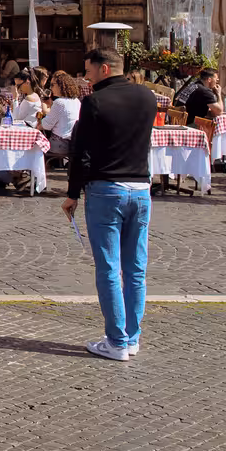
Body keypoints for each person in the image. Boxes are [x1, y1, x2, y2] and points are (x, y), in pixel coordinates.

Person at [62, 48, 157, 360]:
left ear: (104, 69)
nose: (85, 78)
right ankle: (131, 337)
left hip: (107, 188)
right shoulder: (147, 97)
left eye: (88, 71)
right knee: (136, 269)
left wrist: (72, 193)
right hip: (141, 188)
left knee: (109, 267)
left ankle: (116, 341)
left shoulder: (95, 101)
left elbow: (81, 151)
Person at [41, 72, 83, 166]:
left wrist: (38, 124)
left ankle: (38, 174)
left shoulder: (59, 102)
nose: (51, 88)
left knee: (36, 145)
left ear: (61, 85)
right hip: (73, 142)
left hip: (60, 145)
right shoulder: (76, 101)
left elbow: (46, 125)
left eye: (52, 85)